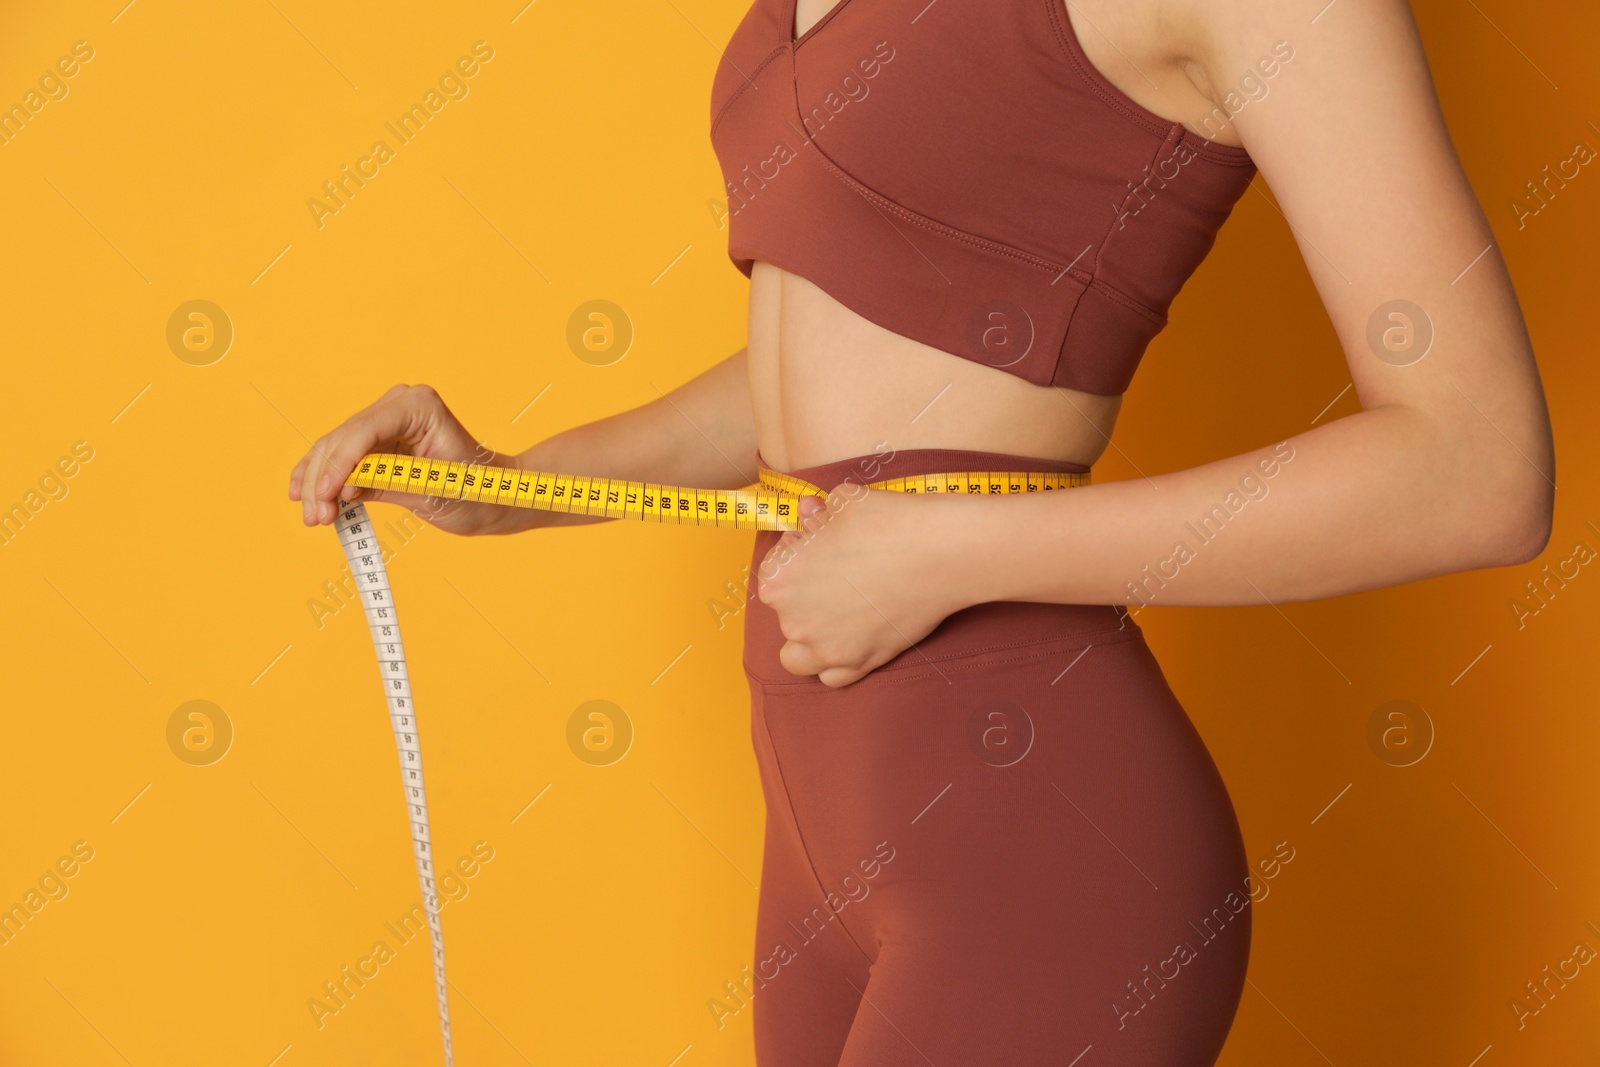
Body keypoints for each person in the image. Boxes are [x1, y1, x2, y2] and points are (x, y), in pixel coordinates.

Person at [288, 0, 1554, 1062]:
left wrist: (951, 550)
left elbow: (1472, 464)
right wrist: (522, 482)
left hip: (1033, 834)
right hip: (818, 823)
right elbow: (884, 334)